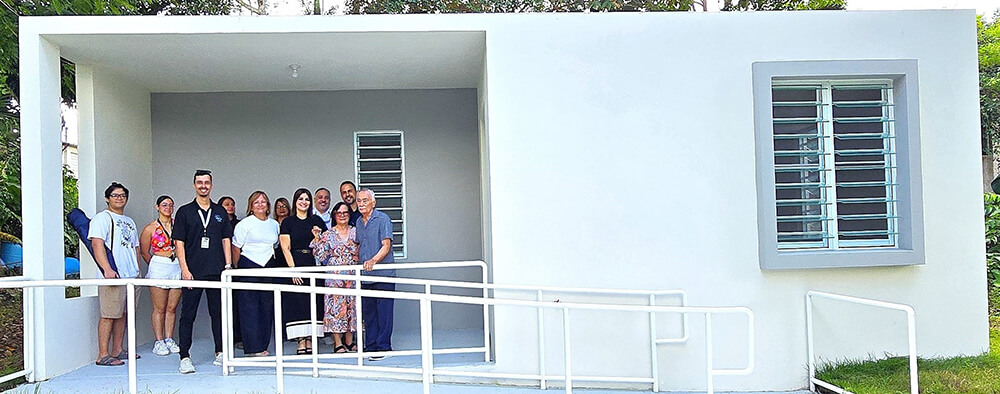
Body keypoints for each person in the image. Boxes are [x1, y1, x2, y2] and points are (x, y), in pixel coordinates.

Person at [174, 170, 233, 374]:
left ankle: (220, 352)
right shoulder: (184, 212)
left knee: (218, 313)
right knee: (187, 315)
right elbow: (179, 243)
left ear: (211, 185)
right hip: (193, 272)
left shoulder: (220, 211)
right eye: (199, 182)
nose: (203, 186)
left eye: (207, 182)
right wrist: (184, 269)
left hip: (217, 271)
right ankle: (184, 356)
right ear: (194, 185)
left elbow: (226, 240)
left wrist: (228, 266)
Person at [90, 182, 142, 367]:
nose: (119, 198)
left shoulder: (129, 221)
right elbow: (97, 244)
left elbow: (135, 247)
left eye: (122, 195)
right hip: (113, 274)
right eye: (115, 195)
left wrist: (137, 269)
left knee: (123, 314)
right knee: (109, 314)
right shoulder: (102, 218)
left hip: (131, 275)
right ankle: (103, 355)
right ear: (107, 198)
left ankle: (117, 349)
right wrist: (107, 269)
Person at [279, 188, 327, 354]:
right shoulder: (288, 222)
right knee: (298, 302)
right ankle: (301, 340)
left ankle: (311, 338)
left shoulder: (316, 221)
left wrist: (317, 236)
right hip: (296, 263)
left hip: (313, 263)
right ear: (295, 201)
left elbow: (323, 246)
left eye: (306, 199)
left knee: (314, 301)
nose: (304, 202)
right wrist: (293, 270)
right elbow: (285, 248)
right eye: (300, 199)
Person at [231, 191, 280, 357]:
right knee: (249, 307)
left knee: (266, 305)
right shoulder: (244, 224)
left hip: (268, 265)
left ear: (268, 205)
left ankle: (263, 344)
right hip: (248, 264)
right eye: (256, 202)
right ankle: (252, 347)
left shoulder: (274, 224)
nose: (260, 205)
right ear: (251, 206)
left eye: (263, 202)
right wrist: (238, 268)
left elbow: (275, 245)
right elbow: (236, 248)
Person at [310, 202, 359, 353]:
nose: (342, 215)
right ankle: (338, 342)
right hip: (334, 277)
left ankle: (349, 341)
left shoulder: (356, 232)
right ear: (334, 215)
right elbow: (320, 256)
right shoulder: (328, 234)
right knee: (336, 308)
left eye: (345, 212)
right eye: (339, 213)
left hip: (352, 276)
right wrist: (317, 238)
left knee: (352, 307)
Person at [139, 195, 182, 357]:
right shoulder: (150, 228)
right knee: (159, 307)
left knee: (172, 307)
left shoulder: (178, 225)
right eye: (164, 205)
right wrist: (155, 263)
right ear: (157, 207)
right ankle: (159, 341)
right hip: (159, 264)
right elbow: (144, 251)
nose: (168, 208)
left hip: (176, 265)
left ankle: (169, 338)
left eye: (171, 205)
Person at [355, 188, 395, 360]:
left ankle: (384, 347)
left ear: (373, 202)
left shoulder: (383, 219)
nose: (361, 204)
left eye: (365, 200)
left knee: (384, 313)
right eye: (359, 201)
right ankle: (370, 346)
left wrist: (373, 261)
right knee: (369, 313)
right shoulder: (358, 222)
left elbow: (386, 245)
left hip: (383, 274)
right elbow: (359, 246)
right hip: (365, 276)